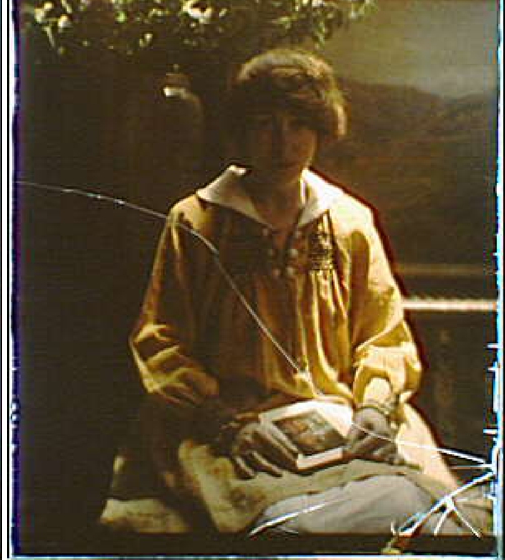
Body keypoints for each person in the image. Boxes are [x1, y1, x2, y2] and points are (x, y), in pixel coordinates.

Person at [100, 49, 488, 537]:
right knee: (291, 525)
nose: (283, 143)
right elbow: (161, 340)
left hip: (342, 417)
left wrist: (372, 406)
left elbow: (383, 335)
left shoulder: (349, 221)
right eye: (265, 124)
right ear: (240, 132)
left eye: (298, 125)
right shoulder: (197, 221)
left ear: (321, 130)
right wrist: (225, 422)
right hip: (230, 424)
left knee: (433, 516)